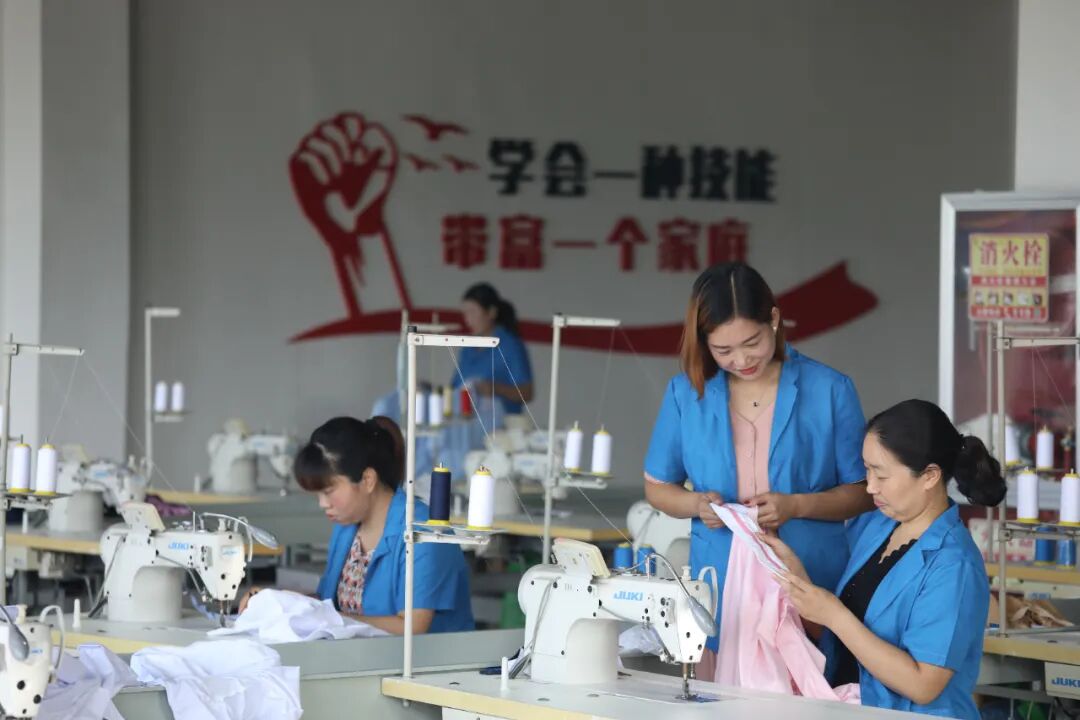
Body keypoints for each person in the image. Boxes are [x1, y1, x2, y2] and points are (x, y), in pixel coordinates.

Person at [643, 262, 874, 666]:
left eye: (752, 342)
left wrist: (797, 505)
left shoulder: (829, 389)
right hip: (720, 581)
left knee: (811, 686)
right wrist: (697, 505)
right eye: (723, 351)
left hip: (808, 577)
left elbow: (863, 493)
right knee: (721, 689)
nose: (742, 359)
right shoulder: (686, 394)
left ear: (774, 319)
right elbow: (658, 487)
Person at [763, 400, 1003, 718]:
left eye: (881, 475)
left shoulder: (954, 565)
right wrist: (798, 581)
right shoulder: (879, 526)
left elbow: (923, 685)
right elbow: (845, 640)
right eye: (867, 470)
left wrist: (834, 615)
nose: (871, 487)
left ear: (930, 476)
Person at [239, 416, 474, 635]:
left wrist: (327, 618)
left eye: (328, 491)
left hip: (429, 663)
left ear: (367, 480)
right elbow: (334, 605)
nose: (323, 504)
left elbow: (412, 627)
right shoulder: (348, 528)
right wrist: (280, 602)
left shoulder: (423, 531)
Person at [452, 282, 533, 414]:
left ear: (491, 312)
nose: (467, 319)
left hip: (503, 422)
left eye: (472, 312)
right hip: (470, 419)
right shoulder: (468, 346)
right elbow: (455, 386)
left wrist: (496, 388)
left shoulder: (510, 346)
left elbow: (527, 392)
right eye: (465, 313)